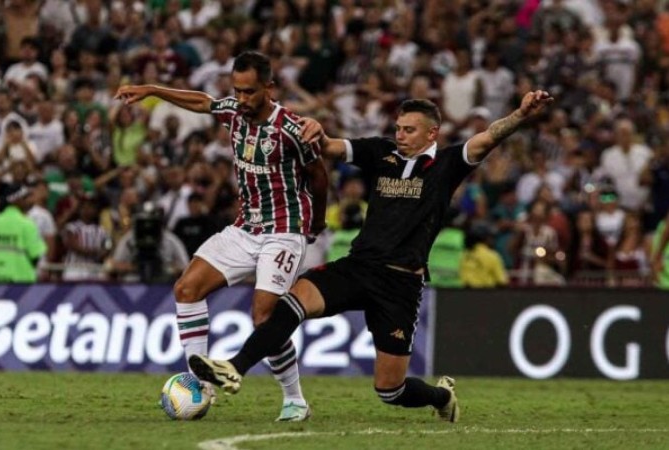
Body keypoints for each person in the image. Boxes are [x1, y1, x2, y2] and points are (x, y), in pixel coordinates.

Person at [187, 90, 553, 422]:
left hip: (400, 284)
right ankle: (234, 367)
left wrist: (520, 115)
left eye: (410, 129)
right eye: (398, 127)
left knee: (389, 390)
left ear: (432, 134)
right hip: (358, 266)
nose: (400, 134)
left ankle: (442, 396)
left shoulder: (447, 164)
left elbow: (489, 137)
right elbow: (329, 146)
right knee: (293, 300)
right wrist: (309, 128)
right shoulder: (381, 153)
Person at [115, 51, 328, 422]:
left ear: (268, 87)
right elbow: (203, 102)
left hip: (285, 229)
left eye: (249, 92)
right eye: (237, 91)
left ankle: (294, 399)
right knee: (187, 288)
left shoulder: (292, 129)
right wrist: (151, 90)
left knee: (264, 316)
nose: (242, 100)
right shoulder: (233, 112)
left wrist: (316, 222)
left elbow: (320, 176)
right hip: (246, 228)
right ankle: (200, 383)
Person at [0, 183, 47, 282]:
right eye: (26, 197)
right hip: (20, 282)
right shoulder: (27, 224)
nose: (30, 201)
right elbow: (36, 255)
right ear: (16, 200)